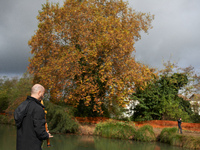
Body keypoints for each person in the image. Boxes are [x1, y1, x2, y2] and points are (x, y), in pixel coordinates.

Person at [14, 84, 53, 150]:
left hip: (20, 146)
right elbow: (39, 130)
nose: (43, 96)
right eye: (43, 94)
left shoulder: (21, 105)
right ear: (39, 92)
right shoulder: (38, 108)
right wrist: (46, 135)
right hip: (33, 146)